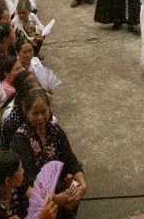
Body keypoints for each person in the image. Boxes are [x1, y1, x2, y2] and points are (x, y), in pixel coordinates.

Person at [9, 90, 86, 219]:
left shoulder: (55, 131)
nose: (40, 117)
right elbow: (27, 180)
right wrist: (55, 199)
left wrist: (82, 186)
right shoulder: (21, 139)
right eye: (35, 113)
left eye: (43, 111)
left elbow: (71, 161)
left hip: (61, 192)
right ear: (26, 112)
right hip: (35, 199)